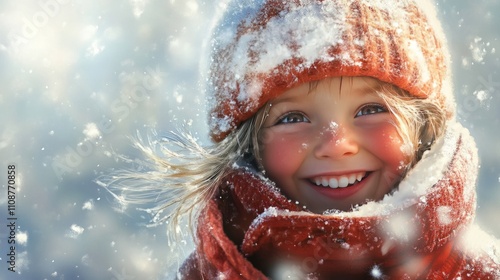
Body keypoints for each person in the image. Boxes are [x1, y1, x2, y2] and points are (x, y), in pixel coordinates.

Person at [111, 0, 500, 279]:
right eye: (293, 118)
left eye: (369, 110)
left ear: (424, 127)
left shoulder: (478, 271)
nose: (336, 143)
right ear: (249, 145)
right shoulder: (210, 272)